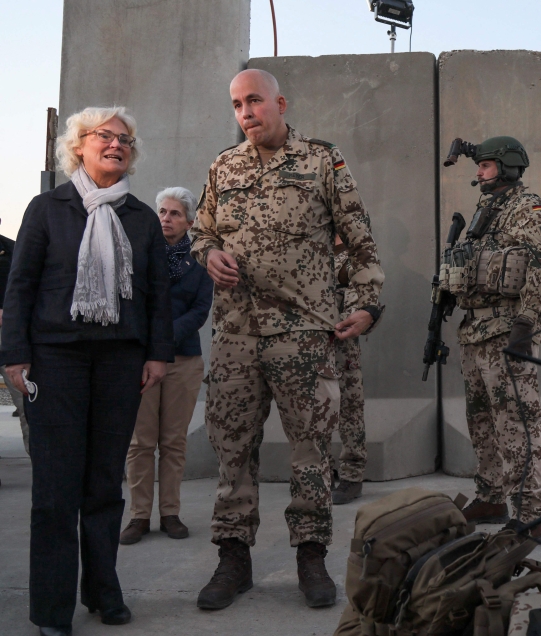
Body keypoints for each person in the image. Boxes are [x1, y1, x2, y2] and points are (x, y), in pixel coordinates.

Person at [190, 69, 384, 611]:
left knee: (311, 452)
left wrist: (367, 305)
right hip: (235, 333)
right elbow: (201, 232)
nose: (245, 112)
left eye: (254, 101)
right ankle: (233, 558)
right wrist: (207, 254)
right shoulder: (222, 167)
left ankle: (311, 556)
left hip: (303, 333)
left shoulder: (322, 161)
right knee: (232, 450)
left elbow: (361, 241)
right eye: (236, 104)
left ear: (279, 102)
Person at [0, 106, 173, 635]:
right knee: (56, 489)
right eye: (106, 136)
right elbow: (21, 285)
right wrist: (14, 356)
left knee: (104, 484)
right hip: (55, 361)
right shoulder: (46, 207)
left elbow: (158, 295)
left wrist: (157, 353)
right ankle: (52, 610)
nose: (117, 145)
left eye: (126, 139)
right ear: (80, 145)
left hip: (121, 361)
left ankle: (103, 591)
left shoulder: (141, 217)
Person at [438, 136, 541, 541]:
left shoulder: (529, 209)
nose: (479, 173)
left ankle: (530, 514)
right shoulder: (486, 210)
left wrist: (527, 323)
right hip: (475, 330)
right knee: (482, 421)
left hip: (507, 330)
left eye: (486, 166)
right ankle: (491, 495)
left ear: (506, 166)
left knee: (517, 423)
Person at [121, 187, 213, 545]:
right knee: (140, 442)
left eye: (175, 213)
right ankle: (139, 516)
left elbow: (200, 311)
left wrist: (162, 337)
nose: (166, 219)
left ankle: (170, 514)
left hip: (183, 360)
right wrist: (150, 344)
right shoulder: (139, 254)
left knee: (173, 442)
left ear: (190, 221)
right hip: (142, 361)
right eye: (162, 211)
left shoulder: (201, 259)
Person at [330, 235, 372, 505]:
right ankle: (316, 472)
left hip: (342, 345)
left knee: (350, 409)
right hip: (307, 343)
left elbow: (365, 302)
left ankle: (351, 477)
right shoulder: (309, 244)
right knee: (309, 411)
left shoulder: (356, 255)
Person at [0, 224, 30, 462]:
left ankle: (44, 467)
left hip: (10, 338)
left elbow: (26, 289)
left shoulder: (14, 250)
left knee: (26, 405)